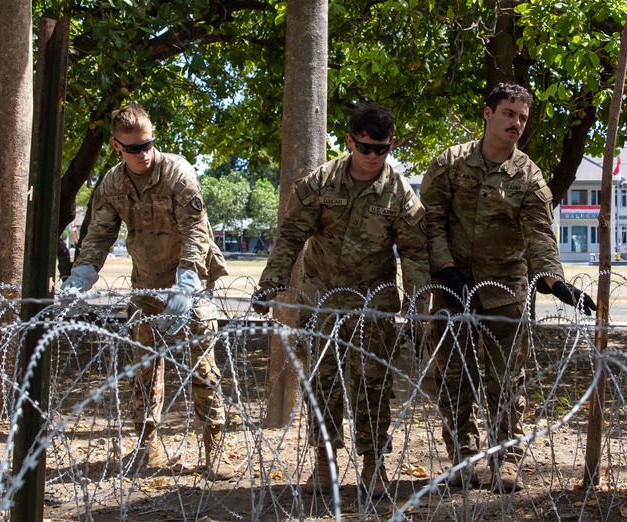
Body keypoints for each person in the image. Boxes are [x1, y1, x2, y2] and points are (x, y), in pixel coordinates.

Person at [420, 83, 596, 493]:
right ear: (488, 114)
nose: (516, 122)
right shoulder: (450, 163)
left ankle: (507, 459)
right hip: (452, 286)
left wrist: (554, 281)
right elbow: (431, 221)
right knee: (454, 376)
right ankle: (462, 457)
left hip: (505, 289)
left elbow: (538, 233)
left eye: (522, 117)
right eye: (509, 113)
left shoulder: (529, 176)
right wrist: (445, 269)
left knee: (507, 380)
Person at [254, 103, 429, 497]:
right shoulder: (321, 182)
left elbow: (415, 251)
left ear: (391, 145)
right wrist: (272, 281)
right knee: (324, 380)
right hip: (323, 296)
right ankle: (324, 463)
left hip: (374, 300)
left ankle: (372, 465)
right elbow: (291, 235)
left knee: (373, 384)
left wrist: (420, 306)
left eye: (381, 149)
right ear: (350, 141)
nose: (372, 157)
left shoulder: (400, 192)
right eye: (364, 148)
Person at [61, 103, 235, 481]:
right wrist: (82, 275)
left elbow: (196, 232)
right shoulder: (113, 183)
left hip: (190, 281)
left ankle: (213, 451)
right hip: (146, 283)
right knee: (142, 371)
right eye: (133, 148)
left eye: (148, 144)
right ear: (115, 146)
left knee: (202, 368)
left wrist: (187, 283)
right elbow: (100, 233)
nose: (143, 154)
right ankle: (146, 446)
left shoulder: (177, 173)